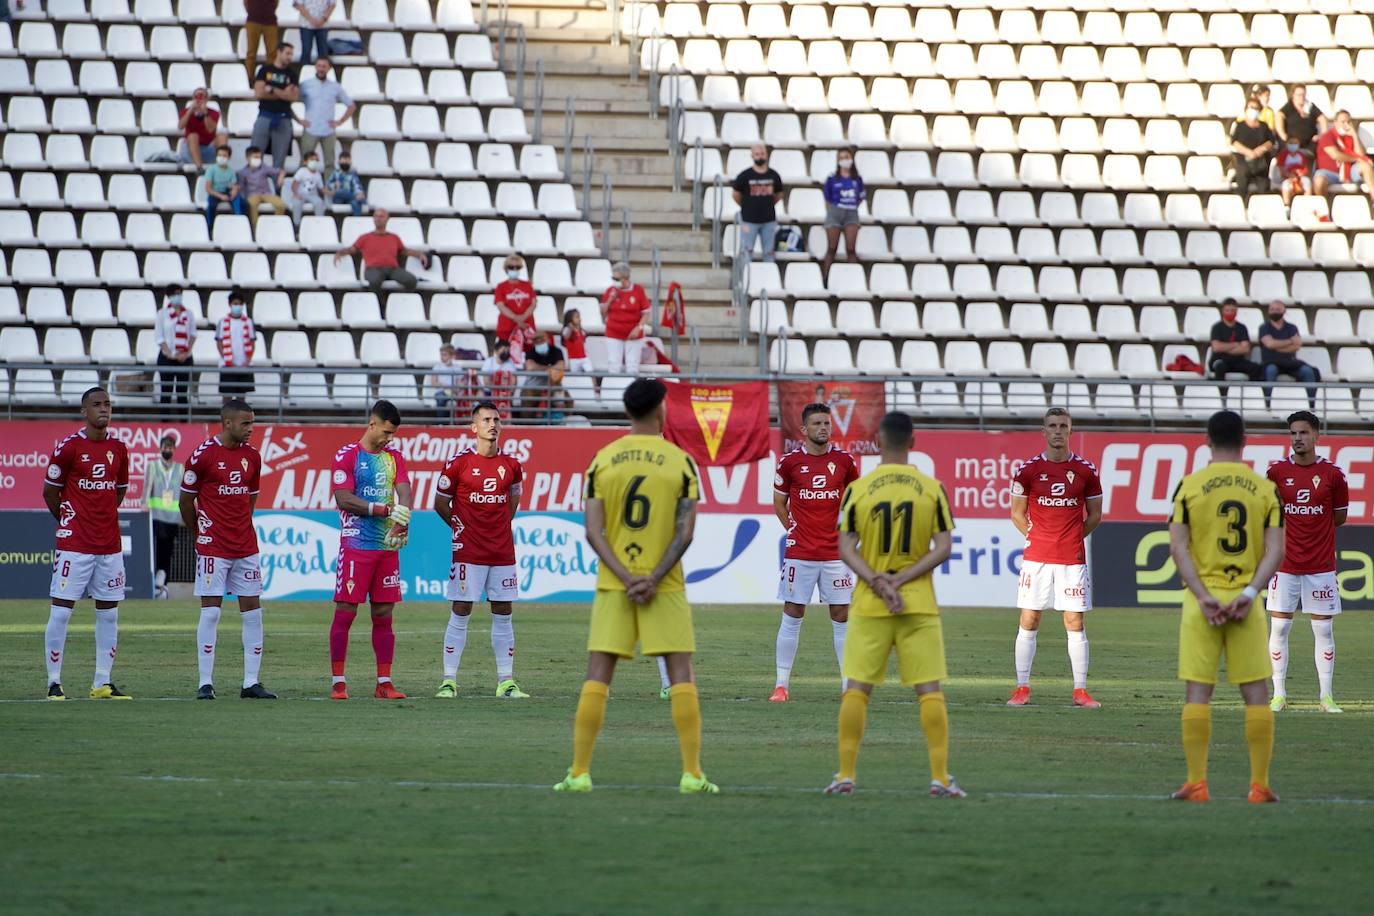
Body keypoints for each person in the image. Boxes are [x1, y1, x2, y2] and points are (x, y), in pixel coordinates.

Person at [553, 378, 717, 794]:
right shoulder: (681, 462)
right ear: (662, 410)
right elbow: (686, 533)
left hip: (615, 584)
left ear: (627, 413)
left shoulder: (602, 460)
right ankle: (692, 774)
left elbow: (593, 531)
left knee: (598, 674)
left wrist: (626, 577)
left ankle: (579, 772)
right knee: (681, 674)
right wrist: (653, 578)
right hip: (666, 585)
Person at [824, 411, 963, 798]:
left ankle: (845, 776)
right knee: (929, 691)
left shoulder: (859, 489)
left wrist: (878, 581)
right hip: (917, 603)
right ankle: (940, 778)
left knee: (857, 690)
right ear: (913, 442)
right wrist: (901, 580)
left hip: (870, 603)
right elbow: (944, 547)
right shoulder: (931, 488)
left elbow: (845, 547)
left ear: (878, 442)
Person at [1167, 410, 1283, 804]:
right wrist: (1250, 594)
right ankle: (1259, 785)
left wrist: (1202, 594)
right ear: (1245, 439)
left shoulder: (1190, 485)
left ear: (1207, 440)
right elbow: (1275, 550)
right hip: (1245, 604)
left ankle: (1197, 783)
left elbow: (1178, 546)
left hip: (1203, 603)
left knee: (1198, 692)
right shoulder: (1264, 489)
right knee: (1256, 692)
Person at [179, 399, 276, 700]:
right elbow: (185, 502)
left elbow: (250, 500)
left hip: (245, 546)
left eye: (252, 423)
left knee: (253, 614)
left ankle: (251, 682)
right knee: (210, 614)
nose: (251, 429)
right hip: (213, 548)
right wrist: (201, 533)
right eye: (246, 423)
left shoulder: (252, 457)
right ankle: (205, 682)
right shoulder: (203, 456)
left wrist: (240, 526)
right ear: (229, 423)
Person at [1007, 407, 1104, 708]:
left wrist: (1072, 537)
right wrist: (1036, 537)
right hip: (1036, 558)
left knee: (1074, 621)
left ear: (1071, 430)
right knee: (1029, 618)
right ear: (1044, 431)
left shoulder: (1087, 471)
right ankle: (1022, 688)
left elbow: (1095, 515)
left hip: (1071, 560)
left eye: (1063, 425)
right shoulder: (1027, 471)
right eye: (1053, 425)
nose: (1058, 430)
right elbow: (1016, 513)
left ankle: (1080, 691)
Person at [41, 388, 132, 701]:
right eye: (96, 404)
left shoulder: (119, 448)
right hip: (75, 544)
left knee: (108, 613)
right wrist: (70, 521)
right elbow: (50, 493)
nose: (103, 409)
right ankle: (54, 682)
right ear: (84, 412)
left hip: (109, 544)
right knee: (62, 611)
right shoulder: (69, 448)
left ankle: (102, 683)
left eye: (107, 404)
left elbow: (117, 492)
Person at [434, 401, 529, 699]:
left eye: (497, 420)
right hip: (468, 549)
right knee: (461, 609)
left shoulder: (512, 466)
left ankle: (506, 682)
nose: (493, 424)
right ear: (474, 427)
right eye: (486, 419)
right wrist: (460, 527)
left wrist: (499, 524)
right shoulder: (458, 464)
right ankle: (449, 681)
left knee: (503, 610)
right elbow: (440, 503)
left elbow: (513, 500)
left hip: (502, 549)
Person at [769, 403, 859, 702]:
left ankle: (848, 685)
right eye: (817, 424)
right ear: (804, 430)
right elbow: (779, 503)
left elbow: (855, 501)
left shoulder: (845, 462)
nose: (824, 428)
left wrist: (849, 534)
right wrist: (792, 529)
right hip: (801, 553)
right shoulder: (789, 462)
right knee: (793, 612)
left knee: (841, 615)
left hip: (836, 554)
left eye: (827, 423)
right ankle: (781, 685)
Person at [328, 400, 413, 701]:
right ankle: (339, 683)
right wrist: (384, 509)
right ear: (372, 424)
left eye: (393, 434)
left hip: (386, 547)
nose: (389, 439)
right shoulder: (348, 455)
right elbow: (343, 498)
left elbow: (404, 488)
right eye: (386, 432)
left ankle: (384, 683)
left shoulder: (393, 458)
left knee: (383, 613)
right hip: (356, 545)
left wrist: (402, 517)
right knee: (346, 611)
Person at [1266, 411, 1348, 714]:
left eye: (1303, 432)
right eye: (1293, 433)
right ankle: (1279, 694)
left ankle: (1326, 697)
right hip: (1284, 564)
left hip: (1321, 565)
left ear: (1316, 435)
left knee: (1323, 631)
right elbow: (1269, 513)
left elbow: (1339, 516)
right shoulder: (1275, 473)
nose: (1297, 438)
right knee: (1279, 628)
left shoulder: (1333, 475)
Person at [333, 208, 430, 292]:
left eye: (381, 216)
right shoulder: (365, 237)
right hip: (373, 269)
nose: (378, 219)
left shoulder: (394, 237)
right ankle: (378, 305)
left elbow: (403, 251)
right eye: (376, 216)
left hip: (392, 269)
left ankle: (400, 302)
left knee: (411, 280)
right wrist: (340, 253)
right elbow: (353, 249)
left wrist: (419, 254)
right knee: (375, 281)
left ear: (387, 219)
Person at [145, 433, 184, 601]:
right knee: (157, 549)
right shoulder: (153, 466)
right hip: (157, 516)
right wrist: (144, 503)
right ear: (160, 448)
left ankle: (163, 586)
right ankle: (154, 583)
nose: (167, 450)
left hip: (173, 518)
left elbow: (183, 493)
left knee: (168, 551)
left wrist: (184, 513)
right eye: (165, 447)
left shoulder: (180, 468)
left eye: (170, 447)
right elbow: (147, 486)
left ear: (174, 449)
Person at [298, 56, 354, 175]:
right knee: (305, 162)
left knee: (329, 163)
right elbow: (290, 99)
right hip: (310, 128)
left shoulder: (335, 87)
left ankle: (329, 191)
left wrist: (340, 121)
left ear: (329, 68)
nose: (321, 69)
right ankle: (300, 191)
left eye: (324, 66)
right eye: (319, 66)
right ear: (315, 67)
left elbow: (351, 105)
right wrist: (298, 120)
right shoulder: (305, 85)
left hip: (328, 130)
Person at [1258, 300, 1320, 406]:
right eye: (1272, 309)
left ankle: (1312, 404)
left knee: (1308, 371)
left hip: (1290, 362)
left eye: (1277, 309)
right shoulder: (1264, 327)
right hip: (1271, 361)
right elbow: (1270, 344)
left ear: (1284, 310)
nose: (1274, 312)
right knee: (1270, 370)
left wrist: (1277, 347)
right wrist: (1290, 341)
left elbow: (1296, 346)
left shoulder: (1292, 327)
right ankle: (1268, 404)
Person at [731, 143, 784, 262]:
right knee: (746, 253)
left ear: (766, 155)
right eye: (757, 154)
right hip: (749, 221)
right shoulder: (744, 176)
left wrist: (768, 204)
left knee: (769, 254)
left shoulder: (774, 175)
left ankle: (769, 278)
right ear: (752, 156)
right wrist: (746, 205)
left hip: (769, 220)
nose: (760, 156)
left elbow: (779, 194)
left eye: (762, 154)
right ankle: (744, 279)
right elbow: (736, 194)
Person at [250, 43, 299, 169]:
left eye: (291, 54)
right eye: (287, 53)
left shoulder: (292, 74)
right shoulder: (265, 70)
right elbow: (259, 93)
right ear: (279, 52)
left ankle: (276, 188)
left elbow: (293, 97)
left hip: (283, 118)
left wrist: (272, 89)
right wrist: (283, 93)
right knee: (255, 156)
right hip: (265, 115)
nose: (289, 57)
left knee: (279, 160)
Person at [600, 261, 651, 376]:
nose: (614, 281)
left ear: (626, 278)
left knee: (632, 365)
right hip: (613, 332)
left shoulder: (638, 290)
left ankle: (632, 393)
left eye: (617, 279)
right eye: (613, 278)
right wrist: (610, 299)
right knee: (614, 364)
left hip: (633, 333)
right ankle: (613, 391)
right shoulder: (610, 291)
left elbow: (646, 313)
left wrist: (639, 327)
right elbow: (603, 312)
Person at [1313, 109, 1374, 203]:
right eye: (1343, 122)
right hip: (1330, 173)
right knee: (1319, 180)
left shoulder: (1350, 136)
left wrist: (1354, 135)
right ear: (1335, 123)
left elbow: (1361, 154)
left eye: (1348, 122)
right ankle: (1322, 206)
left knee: (1365, 165)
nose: (1346, 124)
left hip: (1349, 171)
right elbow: (1335, 155)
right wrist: (1356, 158)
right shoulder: (1327, 136)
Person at [821, 148, 864, 280]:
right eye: (842, 158)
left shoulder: (857, 179)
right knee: (832, 248)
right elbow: (827, 199)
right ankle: (825, 279)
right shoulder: (832, 178)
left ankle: (853, 279)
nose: (845, 160)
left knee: (851, 249)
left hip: (851, 212)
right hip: (835, 212)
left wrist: (851, 206)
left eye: (847, 157)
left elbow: (860, 197)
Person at [153, 284, 196, 410]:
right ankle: (164, 422)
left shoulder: (189, 313)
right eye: (174, 294)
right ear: (169, 296)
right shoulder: (162, 314)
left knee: (182, 391)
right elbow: (159, 337)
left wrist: (185, 353)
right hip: (167, 357)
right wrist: (170, 354)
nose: (177, 296)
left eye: (179, 293)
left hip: (184, 357)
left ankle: (184, 422)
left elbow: (193, 335)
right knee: (166, 390)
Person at [1230, 96, 1275, 201]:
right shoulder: (1240, 125)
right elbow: (1234, 142)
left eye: (1256, 108)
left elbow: (1271, 141)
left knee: (1264, 186)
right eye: (1251, 107)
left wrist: (1260, 150)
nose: (1253, 110)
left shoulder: (1263, 126)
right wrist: (1248, 152)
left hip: (1260, 162)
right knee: (1242, 174)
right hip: (1244, 160)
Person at [1208, 299, 1261, 382]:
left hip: (1237, 361)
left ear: (1236, 311)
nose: (1230, 313)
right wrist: (1236, 344)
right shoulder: (1217, 327)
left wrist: (1225, 348)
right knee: (1220, 367)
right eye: (1227, 310)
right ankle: (1222, 394)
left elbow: (1245, 349)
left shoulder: (1242, 328)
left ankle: (1252, 393)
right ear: (1222, 311)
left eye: (1232, 310)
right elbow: (1216, 348)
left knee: (1255, 368)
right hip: (1220, 360)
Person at [216, 288, 256, 398]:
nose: (237, 306)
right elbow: (219, 343)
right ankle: (226, 416)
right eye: (235, 303)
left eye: (240, 304)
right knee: (227, 396)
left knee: (241, 397)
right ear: (230, 304)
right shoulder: (223, 322)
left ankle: (241, 416)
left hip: (244, 364)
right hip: (227, 364)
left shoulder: (248, 322)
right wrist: (227, 359)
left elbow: (252, 342)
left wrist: (247, 361)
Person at [522, 330, 570, 419]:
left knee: (568, 401)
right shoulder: (530, 352)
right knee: (527, 401)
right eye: (537, 341)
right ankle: (527, 425)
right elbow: (530, 367)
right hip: (534, 386)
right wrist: (549, 368)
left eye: (542, 340)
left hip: (553, 384)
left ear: (548, 340)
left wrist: (540, 368)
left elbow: (561, 366)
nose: (539, 342)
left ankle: (567, 424)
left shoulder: (556, 351)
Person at [178, 88, 230, 170]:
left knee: (222, 136)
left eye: (202, 97)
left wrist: (205, 112)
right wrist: (191, 110)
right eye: (197, 96)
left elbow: (210, 129)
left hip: (207, 147)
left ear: (206, 99)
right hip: (190, 149)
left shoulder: (214, 113)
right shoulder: (186, 112)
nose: (199, 99)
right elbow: (180, 126)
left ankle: (222, 165)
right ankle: (199, 168)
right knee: (193, 136)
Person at [237, 146, 286, 231]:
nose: (258, 159)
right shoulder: (243, 172)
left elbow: (281, 171)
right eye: (255, 157)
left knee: (280, 204)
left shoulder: (264, 168)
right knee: (252, 205)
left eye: (259, 157)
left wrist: (280, 178)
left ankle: (276, 226)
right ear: (248, 158)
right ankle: (255, 229)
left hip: (266, 193)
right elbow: (241, 187)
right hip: (252, 195)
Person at [493, 254, 536, 344]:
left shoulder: (527, 285)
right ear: (506, 269)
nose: (515, 269)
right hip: (507, 328)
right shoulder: (501, 287)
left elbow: (533, 304)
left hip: (526, 326)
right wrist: (516, 318)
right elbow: (501, 306)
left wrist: (523, 318)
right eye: (511, 267)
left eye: (517, 267)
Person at [1276, 83, 1327, 157]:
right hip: (1292, 142)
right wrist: (1283, 135)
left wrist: (1322, 135)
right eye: (1299, 95)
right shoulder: (1289, 106)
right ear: (1293, 95)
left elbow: (1322, 118)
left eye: (1303, 94)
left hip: (1309, 143)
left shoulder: (1309, 106)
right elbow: (1279, 115)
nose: (1302, 97)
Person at [202, 146, 243, 229]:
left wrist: (235, 190)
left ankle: (239, 224)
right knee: (211, 206)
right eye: (219, 155)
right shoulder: (211, 169)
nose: (221, 158)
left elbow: (234, 185)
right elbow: (208, 189)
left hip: (227, 192)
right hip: (215, 193)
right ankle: (209, 228)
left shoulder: (231, 171)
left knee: (240, 201)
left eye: (224, 156)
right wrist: (220, 196)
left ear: (229, 157)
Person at [480, 336, 520, 412]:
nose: (506, 352)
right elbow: (486, 381)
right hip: (489, 393)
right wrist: (497, 392)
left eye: (508, 350)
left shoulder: (510, 363)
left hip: (505, 395)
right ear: (496, 351)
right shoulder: (489, 362)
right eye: (504, 350)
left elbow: (514, 381)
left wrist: (507, 393)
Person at [243, 0, 280, 80]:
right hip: (253, 21)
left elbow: (276, 2)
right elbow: (246, 2)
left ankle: (270, 79)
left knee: (272, 53)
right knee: (251, 53)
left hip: (270, 21)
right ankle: (249, 79)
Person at [289, 149, 326, 226]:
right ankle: (297, 225)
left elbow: (321, 188)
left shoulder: (318, 174)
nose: (314, 162)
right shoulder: (301, 171)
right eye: (311, 160)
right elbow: (294, 184)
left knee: (319, 202)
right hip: (300, 194)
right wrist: (295, 194)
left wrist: (331, 191)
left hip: (313, 195)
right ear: (305, 162)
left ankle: (320, 224)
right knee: (297, 204)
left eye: (316, 160)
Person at [325, 150, 367, 216]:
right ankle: (357, 197)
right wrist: (335, 185)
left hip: (349, 198)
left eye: (347, 160)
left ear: (350, 161)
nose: (345, 162)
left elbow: (357, 185)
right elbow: (328, 184)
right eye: (343, 160)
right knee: (339, 192)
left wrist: (359, 192)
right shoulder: (335, 173)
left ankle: (357, 222)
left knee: (356, 203)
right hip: (338, 199)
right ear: (339, 161)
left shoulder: (353, 173)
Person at [428, 342, 463, 421]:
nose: (442, 357)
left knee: (464, 399)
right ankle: (441, 424)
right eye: (441, 355)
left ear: (451, 356)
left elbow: (460, 383)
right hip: (441, 391)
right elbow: (433, 383)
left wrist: (456, 389)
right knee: (441, 398)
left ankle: (457, 423)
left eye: (444, 355)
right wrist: (445, 386)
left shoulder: (458, 368)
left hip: (454, 392)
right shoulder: (437, 367)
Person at [293, 0, 335, 65]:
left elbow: (332, 5)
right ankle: (305, 70)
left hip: (323, 25)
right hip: (306, 25)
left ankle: (323, 71)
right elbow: (299, 5)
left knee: (323, 51)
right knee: (306, 50)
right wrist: (311, 19)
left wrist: (323, 19)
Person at [1276, 136, 1312, 208]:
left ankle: (1307, 205)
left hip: (1300, 177)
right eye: (1291, 143)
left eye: (1295, 143)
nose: (1293, 145)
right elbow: (1281, 169)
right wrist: (1290, 176)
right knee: (1286, 185)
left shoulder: (1301, 155)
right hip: (1286, 177)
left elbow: (1305, 169)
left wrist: (1299, 176)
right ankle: (1287, 206)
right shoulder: (1283, 155)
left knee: (1307, 182)